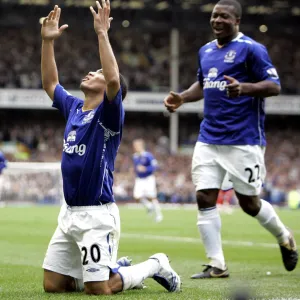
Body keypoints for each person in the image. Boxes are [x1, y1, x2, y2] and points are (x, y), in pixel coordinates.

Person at [41, 1, 181, 295]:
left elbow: (114, 78)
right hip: (69, 213)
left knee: (99, 289)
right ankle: (112, 267)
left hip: (97, 214)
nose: (91, 73)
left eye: (97, 73)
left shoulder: (109, 116)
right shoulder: (75, 108)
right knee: (54, 285)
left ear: (108, 90)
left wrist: (102, 33)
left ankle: (155, 264)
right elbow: (51, 82)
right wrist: (47, 42)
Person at [164, 0, 298, 279]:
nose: (217, 20)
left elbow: (274, 85)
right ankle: (217, 264)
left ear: (237, 21)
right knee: (204, 196)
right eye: (214, 15)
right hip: (209, 136)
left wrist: (245, 88)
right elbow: (203, 83)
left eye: (224, 16)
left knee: (249, 203)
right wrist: (182, 98)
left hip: (244, 139)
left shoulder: (252, 49)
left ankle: (285, 237)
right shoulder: (206, 50)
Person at [132, 139, 163, 222]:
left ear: (141, 146)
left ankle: (159, 215)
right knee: (137, 196)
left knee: (152, 196)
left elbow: (155, 166)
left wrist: (146, 169)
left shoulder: (148, 155)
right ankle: (149, 206)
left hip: (148, 178)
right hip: (139, 179)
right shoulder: (135, 156)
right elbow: (136, 168)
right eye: (134, 146)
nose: (135, 147)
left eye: (136, 145)